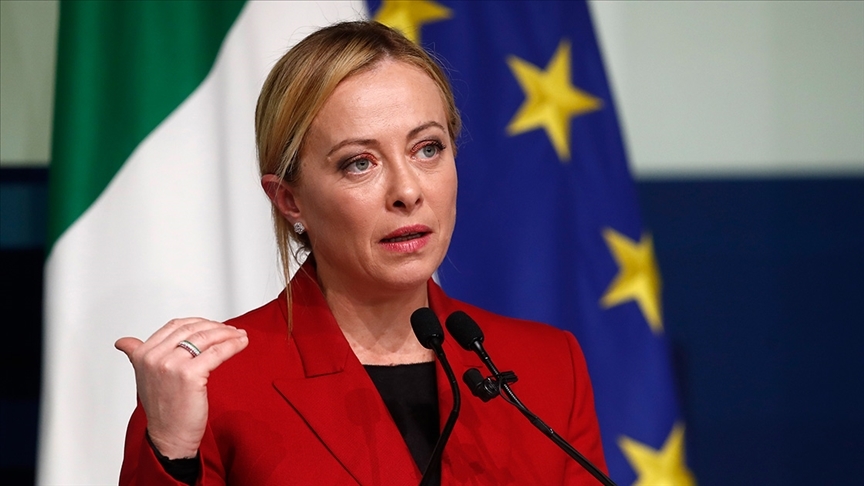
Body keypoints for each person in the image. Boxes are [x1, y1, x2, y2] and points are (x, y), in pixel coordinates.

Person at [116, 20, 606, 485]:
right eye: (359, 163)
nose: (407, 191)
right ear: (289, 200)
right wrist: (172, 450)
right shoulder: (215, 385)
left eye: (427, 148)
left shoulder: (548, 367)